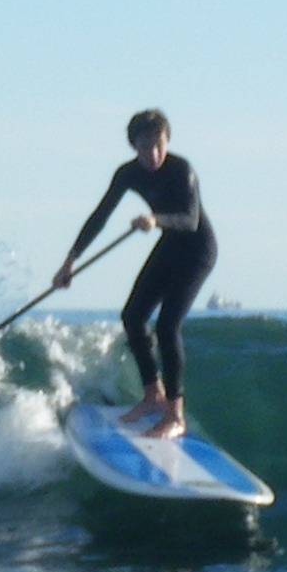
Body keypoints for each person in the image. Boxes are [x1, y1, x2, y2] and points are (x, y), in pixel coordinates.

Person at [55, 109, 217, 439]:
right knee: (132, 316)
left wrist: (156, 220)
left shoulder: (182, 170)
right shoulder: (127, 173)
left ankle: (175, 415)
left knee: (168, 325)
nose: (153, 154)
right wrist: (70, 261)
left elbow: (190, 220)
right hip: (170, 246)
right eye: (145, 147)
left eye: (159, 145)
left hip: (197, 251)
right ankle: (153, 395)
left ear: (167, 141)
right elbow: (100, 216)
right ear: (134, 146)